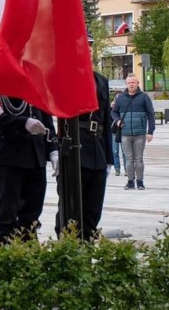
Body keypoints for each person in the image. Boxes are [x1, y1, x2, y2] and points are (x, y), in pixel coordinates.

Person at [55, 33, 113, 241]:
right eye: (83, 46)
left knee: (93, 210)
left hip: (97, 150)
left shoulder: (101, 81)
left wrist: (109, 158)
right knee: (69, 209)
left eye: (90, 47)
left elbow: (106, 121)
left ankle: (86, 253)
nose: (88, 50)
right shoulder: (66, 77)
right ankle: (68, 251)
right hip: (75, 149)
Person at [0, 96, 57, 245]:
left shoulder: (35, 80)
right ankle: (2, 263)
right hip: (5, 155)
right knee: (6, 217)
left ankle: (29, 261)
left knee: (31, 218)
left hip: (35, 154)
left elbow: (45, 117)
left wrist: (53, 148)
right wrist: (22, 122)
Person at [112, 74, 155, 190]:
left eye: (133, 82)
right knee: (129, 158)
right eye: (129, 83)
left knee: (139, 159)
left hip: (140, 134)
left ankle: (140, 181)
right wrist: (117, 120)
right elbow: (114, 112)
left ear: (137, 84)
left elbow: (151, 114)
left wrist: (150, 131)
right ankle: (130, 181)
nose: (131, 84)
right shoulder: (120, 98)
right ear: (126, 84)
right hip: (125, 133)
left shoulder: (144, 97)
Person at [111, 91, 126, 176]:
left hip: (123, 132)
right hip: (114, 132)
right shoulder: (112, 108)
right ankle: (117, 169)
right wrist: (110, 108)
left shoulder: (124, 106)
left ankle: (127, 169)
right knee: (115, 151)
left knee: (125, 152)